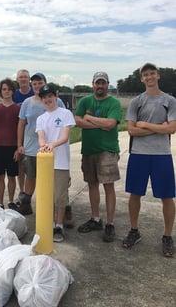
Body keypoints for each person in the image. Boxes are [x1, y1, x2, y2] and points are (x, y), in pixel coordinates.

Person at [122, 63, 176, 257]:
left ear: (158, 75)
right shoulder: (137, 101)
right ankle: (134, 230)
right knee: (135, 194)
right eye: (145, 75)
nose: (149, 77)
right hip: (139, 154)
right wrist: (156, 127)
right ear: (142, 79)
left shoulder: (169, 100)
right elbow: (131, 130)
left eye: (152, 73)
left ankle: (167, 236)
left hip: (161, 154)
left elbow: (172, 129)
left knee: (167, 197)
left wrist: (145, 124)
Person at [75, 72, 122, 242]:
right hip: (88, 150)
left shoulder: (114, 103)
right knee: (92, 185)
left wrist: (89, 118)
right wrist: (99, 123)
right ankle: (96, 219)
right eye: (97, 83)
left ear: (108, 84)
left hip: (107, 150)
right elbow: (77, 121)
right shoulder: (85, 101)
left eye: (103, 83)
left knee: (108, 186)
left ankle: (110, 223)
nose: (100, 86)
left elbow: (110, 124)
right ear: (92, 84)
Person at [17, 72, 65, 215]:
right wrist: (19, 144)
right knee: (31, 176)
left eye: (40, 83)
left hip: (53, 148)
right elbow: (21, 124)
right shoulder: (27, 103)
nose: (37, 86)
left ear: (45, 83)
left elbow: (64, 123)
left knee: (56, 179)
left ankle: (62, 207)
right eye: (35, 84)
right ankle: (26, 203)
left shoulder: (57, 101)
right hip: (32, 147)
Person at [36, 84, 75, 242]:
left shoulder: (65, 113)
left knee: (60, 197)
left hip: (61, 163)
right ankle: (49, 224)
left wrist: (52, 145)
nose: (47, 99)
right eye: (44, 97)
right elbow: (41, 137)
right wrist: (44, 144)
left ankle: (59, 225)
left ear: (56, 96)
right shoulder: (41, 118)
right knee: (48, 196)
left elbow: (65, 137)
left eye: (50, 96)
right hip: (46, 163)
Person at [0, 78, 20, 209]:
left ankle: (11, 201)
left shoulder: (18, 109)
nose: (6, 92)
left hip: (13, 147)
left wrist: (18, 148)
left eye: (9, 89)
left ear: (13, 91)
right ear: (0, 92)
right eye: (4, 89)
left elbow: (20, 130)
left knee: (12, 177)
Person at [13, 69, 34, 200]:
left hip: (33, 133)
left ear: (29, 79)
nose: (23, 79)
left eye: (25, 77)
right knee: (20, 164)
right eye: (21, 77)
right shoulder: (14, 95)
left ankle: (30, 191)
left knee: (32, 165)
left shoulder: (35, 92)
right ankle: (22, 191)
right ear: (17, 80)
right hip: (19, 131)